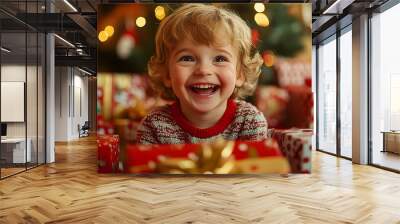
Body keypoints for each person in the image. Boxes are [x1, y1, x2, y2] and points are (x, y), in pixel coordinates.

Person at [136, 3, 267, 144]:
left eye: (220, 59)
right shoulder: (154, 126)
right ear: (167, 74)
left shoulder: (250, 122)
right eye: (187, 58)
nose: (203, 70)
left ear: (240, 74)